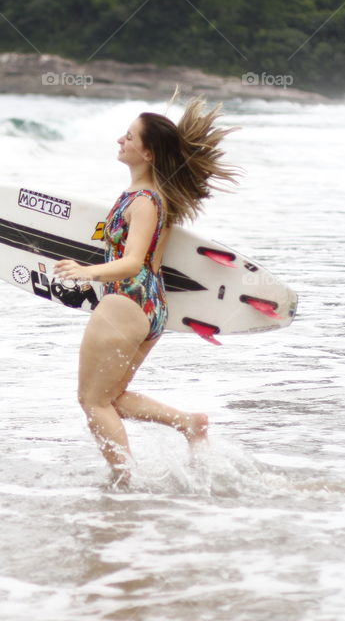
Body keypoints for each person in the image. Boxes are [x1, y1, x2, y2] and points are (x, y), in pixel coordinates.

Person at [53, 97, 239, 487]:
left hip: (127, 301)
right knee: (114, 397)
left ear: (148, 153)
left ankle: (123, 483)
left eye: (131, 136)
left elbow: (134, 261)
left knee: (93, 401)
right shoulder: (155, 198)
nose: (120, 139)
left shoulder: (145, 201)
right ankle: (188, 423)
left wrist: (86, 272)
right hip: (150, 306)